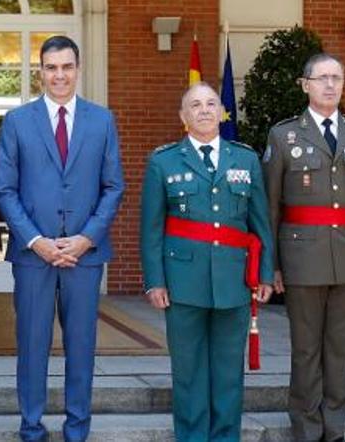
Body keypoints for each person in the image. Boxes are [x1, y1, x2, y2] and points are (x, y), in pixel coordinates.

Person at [0, 35, 124, 442]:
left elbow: (113, 187)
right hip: (34, 256)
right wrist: (37, 241)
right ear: (40, 72)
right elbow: (5, 190)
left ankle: (77, 429)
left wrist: (86, 238)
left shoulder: (101, 120)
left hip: (85, 256)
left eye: (67, 67)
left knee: (81, 348)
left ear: (78, 69)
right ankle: (31, 428)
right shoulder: (17, 121)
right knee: (32, 346)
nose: (59, 75)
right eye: (51, 67)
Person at [140, 82, 274, 440]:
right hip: (182, 282)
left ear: (222, 112)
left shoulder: (245, 158)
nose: (204, 110)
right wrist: (155, 280)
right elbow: (151, 228)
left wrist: (264, 273)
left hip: (234, 281)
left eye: (211, 103)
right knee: (188, 372)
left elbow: (260, 223)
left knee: (229, 372)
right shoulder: (164, 161)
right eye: (195, 105)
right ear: (183, 116)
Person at [264, 53, 345, 442]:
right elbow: (270, 206)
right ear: (305, 84)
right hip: (301, 257)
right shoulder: (284, 135)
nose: (330, 85)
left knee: (341, 349)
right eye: (322, 78)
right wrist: (272, 265)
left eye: (337, 78)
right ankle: (307, 427)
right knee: (306, 350)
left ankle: (335, 428)